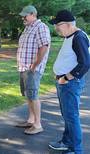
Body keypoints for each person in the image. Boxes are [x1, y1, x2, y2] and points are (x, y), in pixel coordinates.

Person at [48, 10, 90, 154]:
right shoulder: (70, 36)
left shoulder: (78, 37)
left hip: (70, 84)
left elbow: (85, 63)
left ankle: (75, 150)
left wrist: (65, 78)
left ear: (66, 24)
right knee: (67, 115)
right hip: (65, 83)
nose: (56, 28)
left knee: (71, 116)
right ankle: (67, 142)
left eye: (57, 25)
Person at [15, 5, 51, 135]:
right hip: (24, 68)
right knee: (28, 95)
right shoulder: (27, 28)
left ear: (32, 14)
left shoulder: (40, 27)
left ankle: (37, 124)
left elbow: (44, 47)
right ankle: (30, 120)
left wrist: (35, 65)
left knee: (33, 95)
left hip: (32, 69)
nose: (22, 18)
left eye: (24, 15)